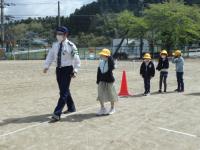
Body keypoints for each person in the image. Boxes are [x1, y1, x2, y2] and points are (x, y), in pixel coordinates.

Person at [43, 26, 81, 122]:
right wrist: (46, 66)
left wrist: (75, 70)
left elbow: (77, 60)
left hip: (68, 69)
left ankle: (57, 113)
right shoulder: (55, 45)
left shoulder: (71, 46)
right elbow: (50, 55)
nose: (58, 36)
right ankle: (71, 107)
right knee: (64, 90)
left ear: (65, 35)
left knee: (63, 92)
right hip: (58, 70)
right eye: (57, 34)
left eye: (60, 34)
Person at [96, 48, 118, 116]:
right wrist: (98, 80)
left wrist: (109, 56)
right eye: (101, 55)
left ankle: (112, 108)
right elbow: (99, 72)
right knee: (100, 94)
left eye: (103, 55)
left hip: (109, 81)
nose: (101, 56)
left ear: (107, 56)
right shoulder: (101, 62)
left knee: (111, 94)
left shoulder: (110, 62)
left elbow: (112, 66)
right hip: (102, 80)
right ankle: (102, 108)